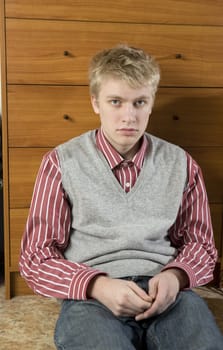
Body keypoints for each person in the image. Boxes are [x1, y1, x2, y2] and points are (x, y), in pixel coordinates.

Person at [20, 45, 223, 350]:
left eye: (139, 102)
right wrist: (97, 285)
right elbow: (36, 256)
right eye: (116, 102)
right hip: (92, 297)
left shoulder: (182, 164)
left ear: (151, 103)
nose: (129, 116)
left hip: (168, 293)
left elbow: (202, 245)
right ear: (95, 103)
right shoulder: (61, 162)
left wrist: (177, 277)